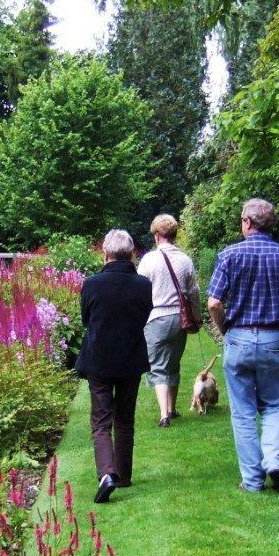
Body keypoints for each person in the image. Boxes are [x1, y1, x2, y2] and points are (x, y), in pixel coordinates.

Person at [207, 198, 279, 493]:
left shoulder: (229, 255)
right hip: (274, 339)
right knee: (274, 404)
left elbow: (214, 303)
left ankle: (253, 481)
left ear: (247, 222)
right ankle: (275, 461)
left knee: (243, 412)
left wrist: (225, 328)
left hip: (239, 337)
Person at [75, 229, 153, 503]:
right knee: (125, 418)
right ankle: (124, 474)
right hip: (130, 357)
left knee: (101, 420)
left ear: (106, 253)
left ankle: (107, 473)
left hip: (99, 359)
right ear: (131, 254)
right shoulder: (143, 284)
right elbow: (144, 316)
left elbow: (86, 318)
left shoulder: (92, 284)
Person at [137, 214, 201, 427]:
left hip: (156, 317)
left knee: (158, 366)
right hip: (179, 318)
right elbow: (194, 292)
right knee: (173, 363)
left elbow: (139, 291)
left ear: (157, 235)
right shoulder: (185, 260)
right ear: (174, 235)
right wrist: (197, 317)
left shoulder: (149, 260)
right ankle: (172, 409)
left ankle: (164, 415)